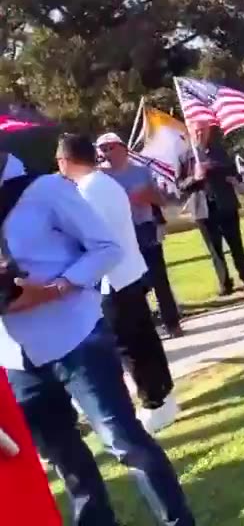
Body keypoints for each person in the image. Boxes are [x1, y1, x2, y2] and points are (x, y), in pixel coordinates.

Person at [0, 150, 195, 526]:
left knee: (124, 441)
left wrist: (56, 288)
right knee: (63, 458)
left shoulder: (45, 189)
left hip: (75, 339)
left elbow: (107, 248)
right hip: (15, 357)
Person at [60, 135, 181, 434]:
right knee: (143, 338)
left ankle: (155, 402)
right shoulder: (105, 183)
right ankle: (163, 394)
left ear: (67, 160)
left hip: (113, 278)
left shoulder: (87, 191)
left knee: (131, 345)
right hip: (128, 271)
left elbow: (89, 239)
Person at [95, 132, 183, 338]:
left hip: (144, 227)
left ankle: (172, 322)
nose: (107, 152)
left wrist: (148, 196)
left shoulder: (141, 172)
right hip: (119, 233)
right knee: (132, 281)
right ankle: (144, 324)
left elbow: (161, 200)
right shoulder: (99, 176)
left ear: (123, 148)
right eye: (103, 149)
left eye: (111, 147)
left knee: (158, 277)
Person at [178, 121, 244, 296]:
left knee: (236, 244)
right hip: (203, 209)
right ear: (190, 132)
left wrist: (230, 177)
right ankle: (225, 284)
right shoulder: (185, 157)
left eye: (203, 130)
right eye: (196, 131)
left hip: (225, 204)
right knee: (215, 250)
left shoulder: (220, 152)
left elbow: (235, 174)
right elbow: (180, 185)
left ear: (208, 131)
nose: (200, 134)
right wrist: (194, 178)